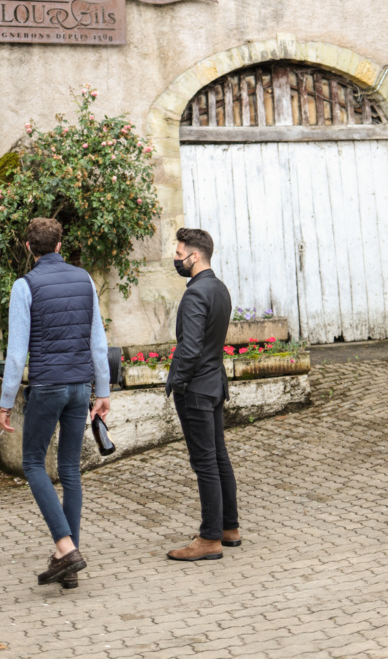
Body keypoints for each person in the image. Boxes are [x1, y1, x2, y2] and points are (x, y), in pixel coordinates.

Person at [0, 217, 110, 589]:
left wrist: (5, 403)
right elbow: (98, 344)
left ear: (30, 248)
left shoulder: (24, 286)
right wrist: (103, 392)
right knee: (71, 471)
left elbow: (16, 355)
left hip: (47, 386)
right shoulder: (85, 279)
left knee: (32, 463)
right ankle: (67, 562)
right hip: (80, 386)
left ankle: (65, 546)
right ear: (60, 245)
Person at [165, 227, 239, 561]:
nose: (176, 260)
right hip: (214, 384)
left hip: (196, 388)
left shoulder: (196, 293)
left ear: (195, 257)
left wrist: (176, 382)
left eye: (179, 255)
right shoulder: (219, 289)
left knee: (205, 462)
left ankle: (209, 539)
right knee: (218, 457)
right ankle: (228, 527)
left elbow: (190, 347)